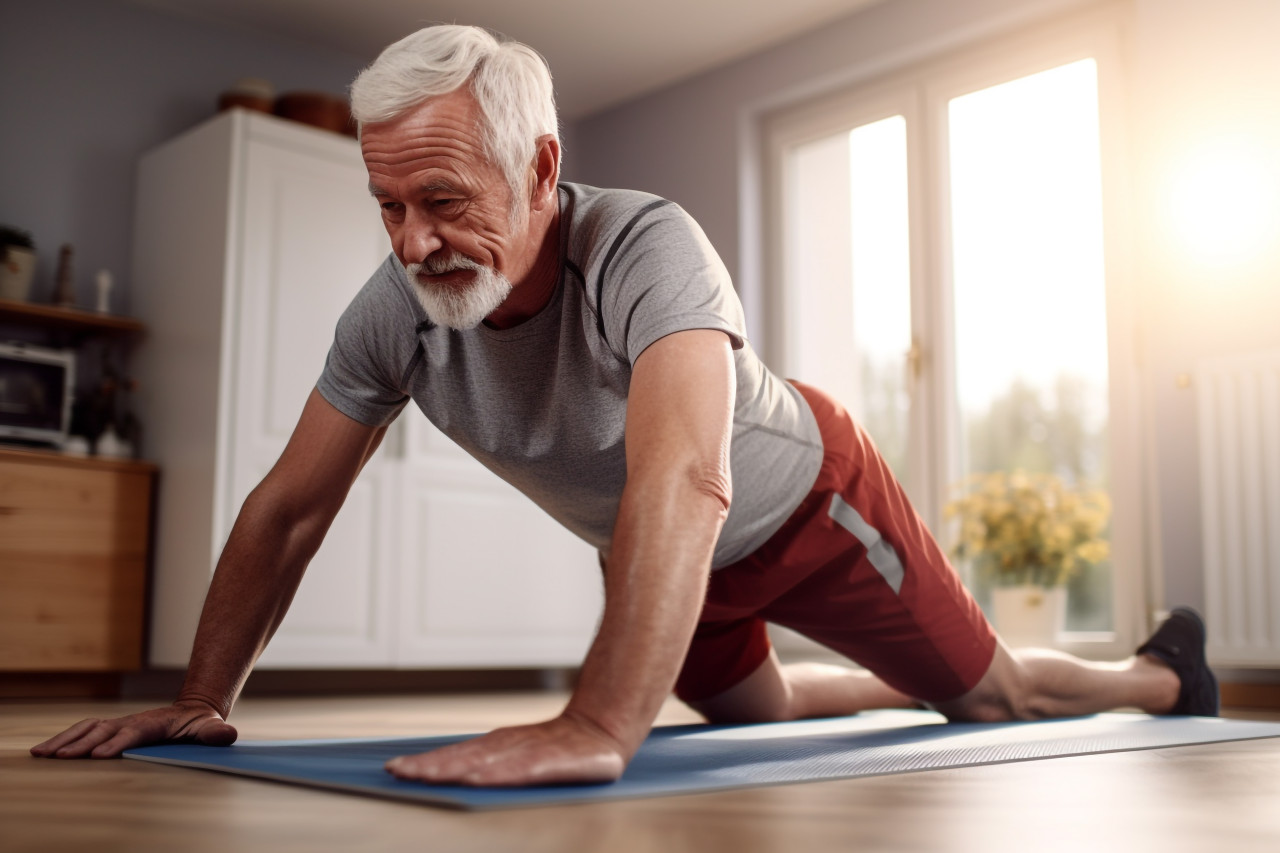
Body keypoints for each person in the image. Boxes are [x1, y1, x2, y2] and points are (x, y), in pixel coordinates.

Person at [32, 25, 1218, 787]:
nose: (413, 241)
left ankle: (1165, 673)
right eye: (385, 206)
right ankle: (900, 672)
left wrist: (601, 720)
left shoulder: (644, 244)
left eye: (440, 198)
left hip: (805, 502)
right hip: (664, 554)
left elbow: (684, 480)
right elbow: (288, 508)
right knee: (755, 713)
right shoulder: (389, 311)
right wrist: (199, 699)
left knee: (988, 697)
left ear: (542, 169)